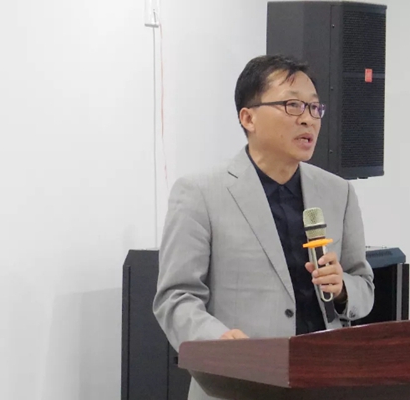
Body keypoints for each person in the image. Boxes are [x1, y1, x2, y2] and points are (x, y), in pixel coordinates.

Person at [153, 54, 375, 400]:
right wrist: (218, 341)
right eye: (292, 105)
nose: (308, 119)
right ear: (248, 117)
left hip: (323, 381)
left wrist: (343, 288)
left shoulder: (338, 192)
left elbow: (364, 286)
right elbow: (176, 297)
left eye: (314, 108)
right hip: (238, 383)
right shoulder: (200, 193)